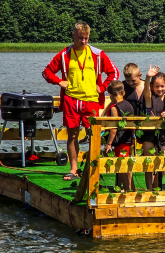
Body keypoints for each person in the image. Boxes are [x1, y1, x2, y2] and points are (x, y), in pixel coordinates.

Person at [42, 21, 119, 181]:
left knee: (93, 136)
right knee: (72, 135)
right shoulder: (64, 54)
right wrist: (59, 81)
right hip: (71, 100)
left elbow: (114, 73)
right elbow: (46, 72)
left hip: (91, 101)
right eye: (80, 38)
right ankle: (73, 169)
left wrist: (103, 86)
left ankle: (92, 167)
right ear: (73, 35)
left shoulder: (97, 54)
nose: (83, 41)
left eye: (86, 38)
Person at [103, 80, 135, 191]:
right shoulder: (129, 105)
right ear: (123, 93)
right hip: (129, 141)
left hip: (120, 142)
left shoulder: (114, 108)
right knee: (127, 168)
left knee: (121, 168)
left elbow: (113, 129)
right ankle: (131, 189)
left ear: (110, 94)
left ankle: (127, 191)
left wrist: (108, 144)